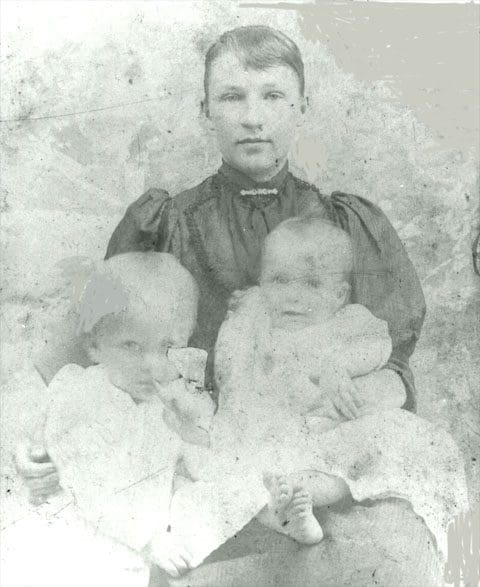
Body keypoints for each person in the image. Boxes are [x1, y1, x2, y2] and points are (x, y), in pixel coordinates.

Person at [16, 25, 437, 585]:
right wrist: (45, 441)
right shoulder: (166, 223)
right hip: (195, 449)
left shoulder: (342, 225)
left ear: (302, 107)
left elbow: (392, 356)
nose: (252, 117)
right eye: (232, 97)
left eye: (273, 96)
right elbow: (104, 339)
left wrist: (367, 392)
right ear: (205, 110)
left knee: (388, 549)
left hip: (318, 442)